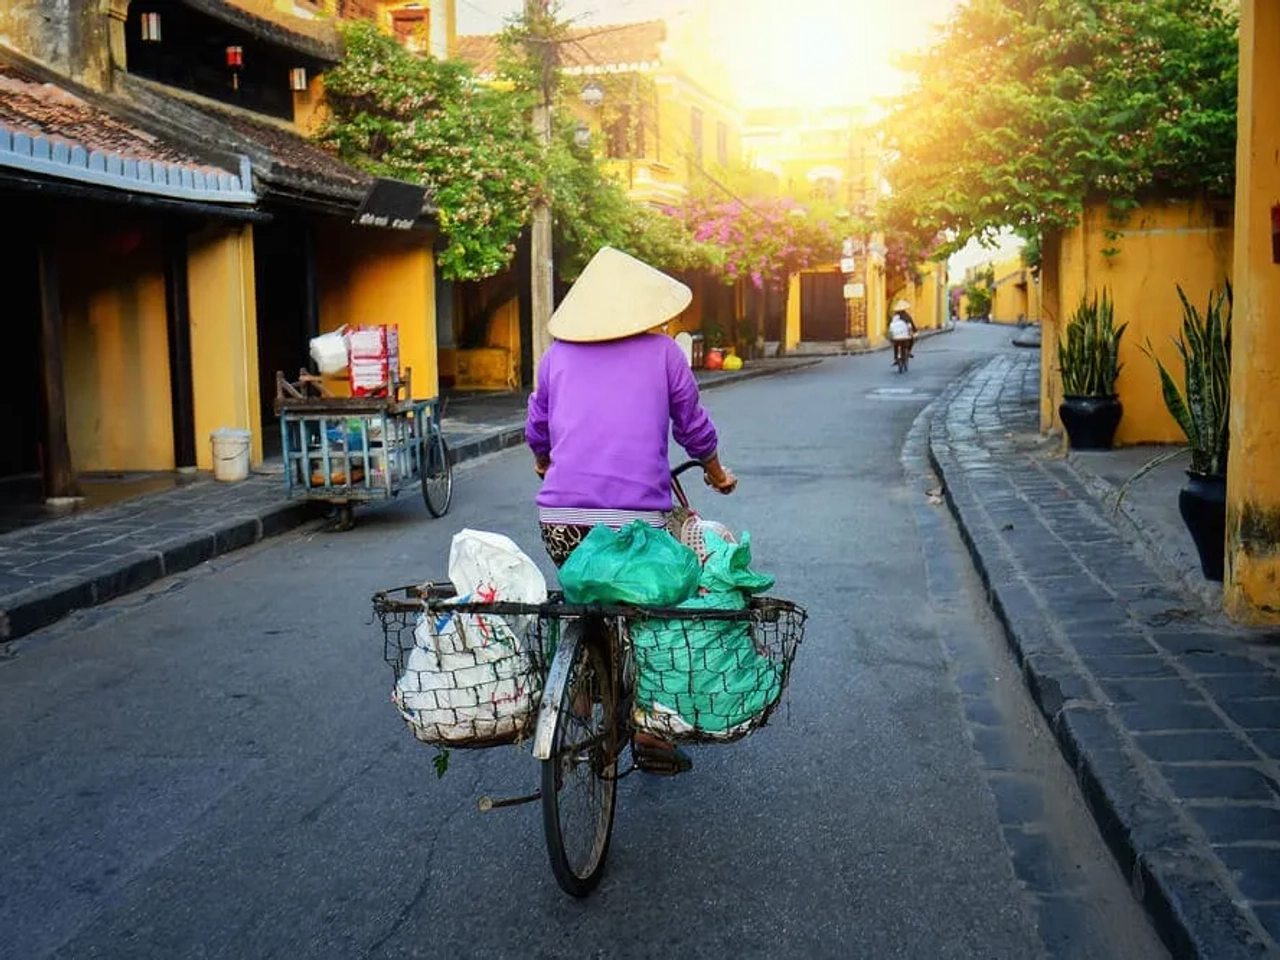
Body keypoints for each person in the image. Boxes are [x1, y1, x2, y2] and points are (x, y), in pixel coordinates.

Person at [525, 246, 736, 774]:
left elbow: (538, 430)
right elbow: (692, 427)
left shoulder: (555, 357)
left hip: (563, 524)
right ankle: (651, 729)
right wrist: (715, 472)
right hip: (636, 527)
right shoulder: (665, 353)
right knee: (648, 616)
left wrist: (545, 460)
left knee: (586, 591)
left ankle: (579, 684)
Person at [889, 299, 917, 365]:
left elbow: (891, 326)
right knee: (912, 340)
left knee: (896, 345)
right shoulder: (907, 316)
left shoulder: (894, 317)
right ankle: (909, 351)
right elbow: (911, 325)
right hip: (905, 337)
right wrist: (915, 331)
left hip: (896, 337)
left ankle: (896, 357)